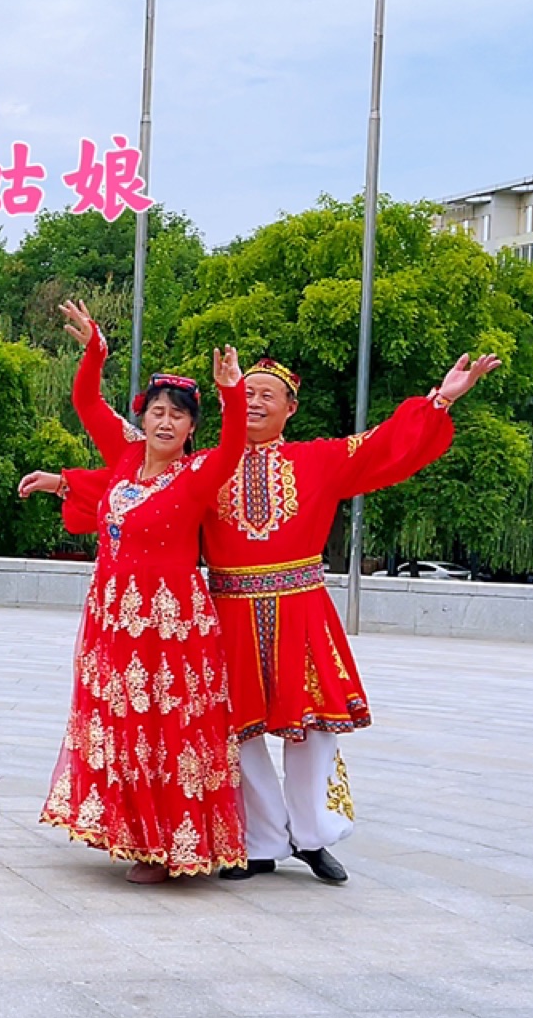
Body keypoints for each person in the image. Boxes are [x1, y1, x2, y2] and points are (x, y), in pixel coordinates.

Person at [204, 351, 501, 884]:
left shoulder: (318, 459)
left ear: (290, 409)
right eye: (244, 393)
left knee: (314, 727)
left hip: (300, 605)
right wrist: (69, 485)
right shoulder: (206, 464)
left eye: (266, 395)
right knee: (236, 731)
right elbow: (143, 479)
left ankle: (313, 834)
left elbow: (385, 444)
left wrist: (442, 398)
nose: (253, 402)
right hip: (229, 610)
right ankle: (261, 841)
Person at [21, 301, 248, 882]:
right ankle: (129, 832)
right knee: (120, 723)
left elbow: (232, 451)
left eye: (178, 416)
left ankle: (168, 848)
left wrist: (233, 394)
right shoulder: (124, 455)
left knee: (165, 728)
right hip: (114, 617)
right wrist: (95, 348)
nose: (166, 423)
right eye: (157, 413)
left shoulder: (198, 474)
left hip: (169, 627)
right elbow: (85, 404)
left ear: (192, 427)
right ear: (142, 418)